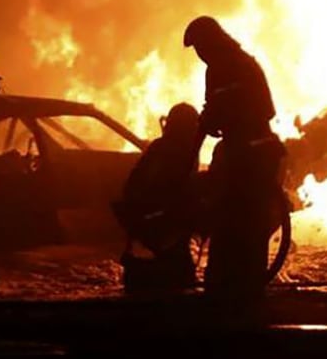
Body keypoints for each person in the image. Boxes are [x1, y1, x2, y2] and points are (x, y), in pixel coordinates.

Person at [182, 16, 285, 298]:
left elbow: (261, 110)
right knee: (233, 219)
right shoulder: (221, 68)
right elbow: (211, 111)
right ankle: (235, 284)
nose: (200, 54)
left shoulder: (234, 65)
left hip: (253, 153)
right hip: (241, 150)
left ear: (211, 41)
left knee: (242, 220)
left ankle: (238, 288)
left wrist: (193, 151)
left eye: (200, 46)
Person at [114, 103, 202, 293]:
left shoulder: (160, 147)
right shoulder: (179, 152)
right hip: (160, 228)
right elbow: (175, 190)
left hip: (150, 228)